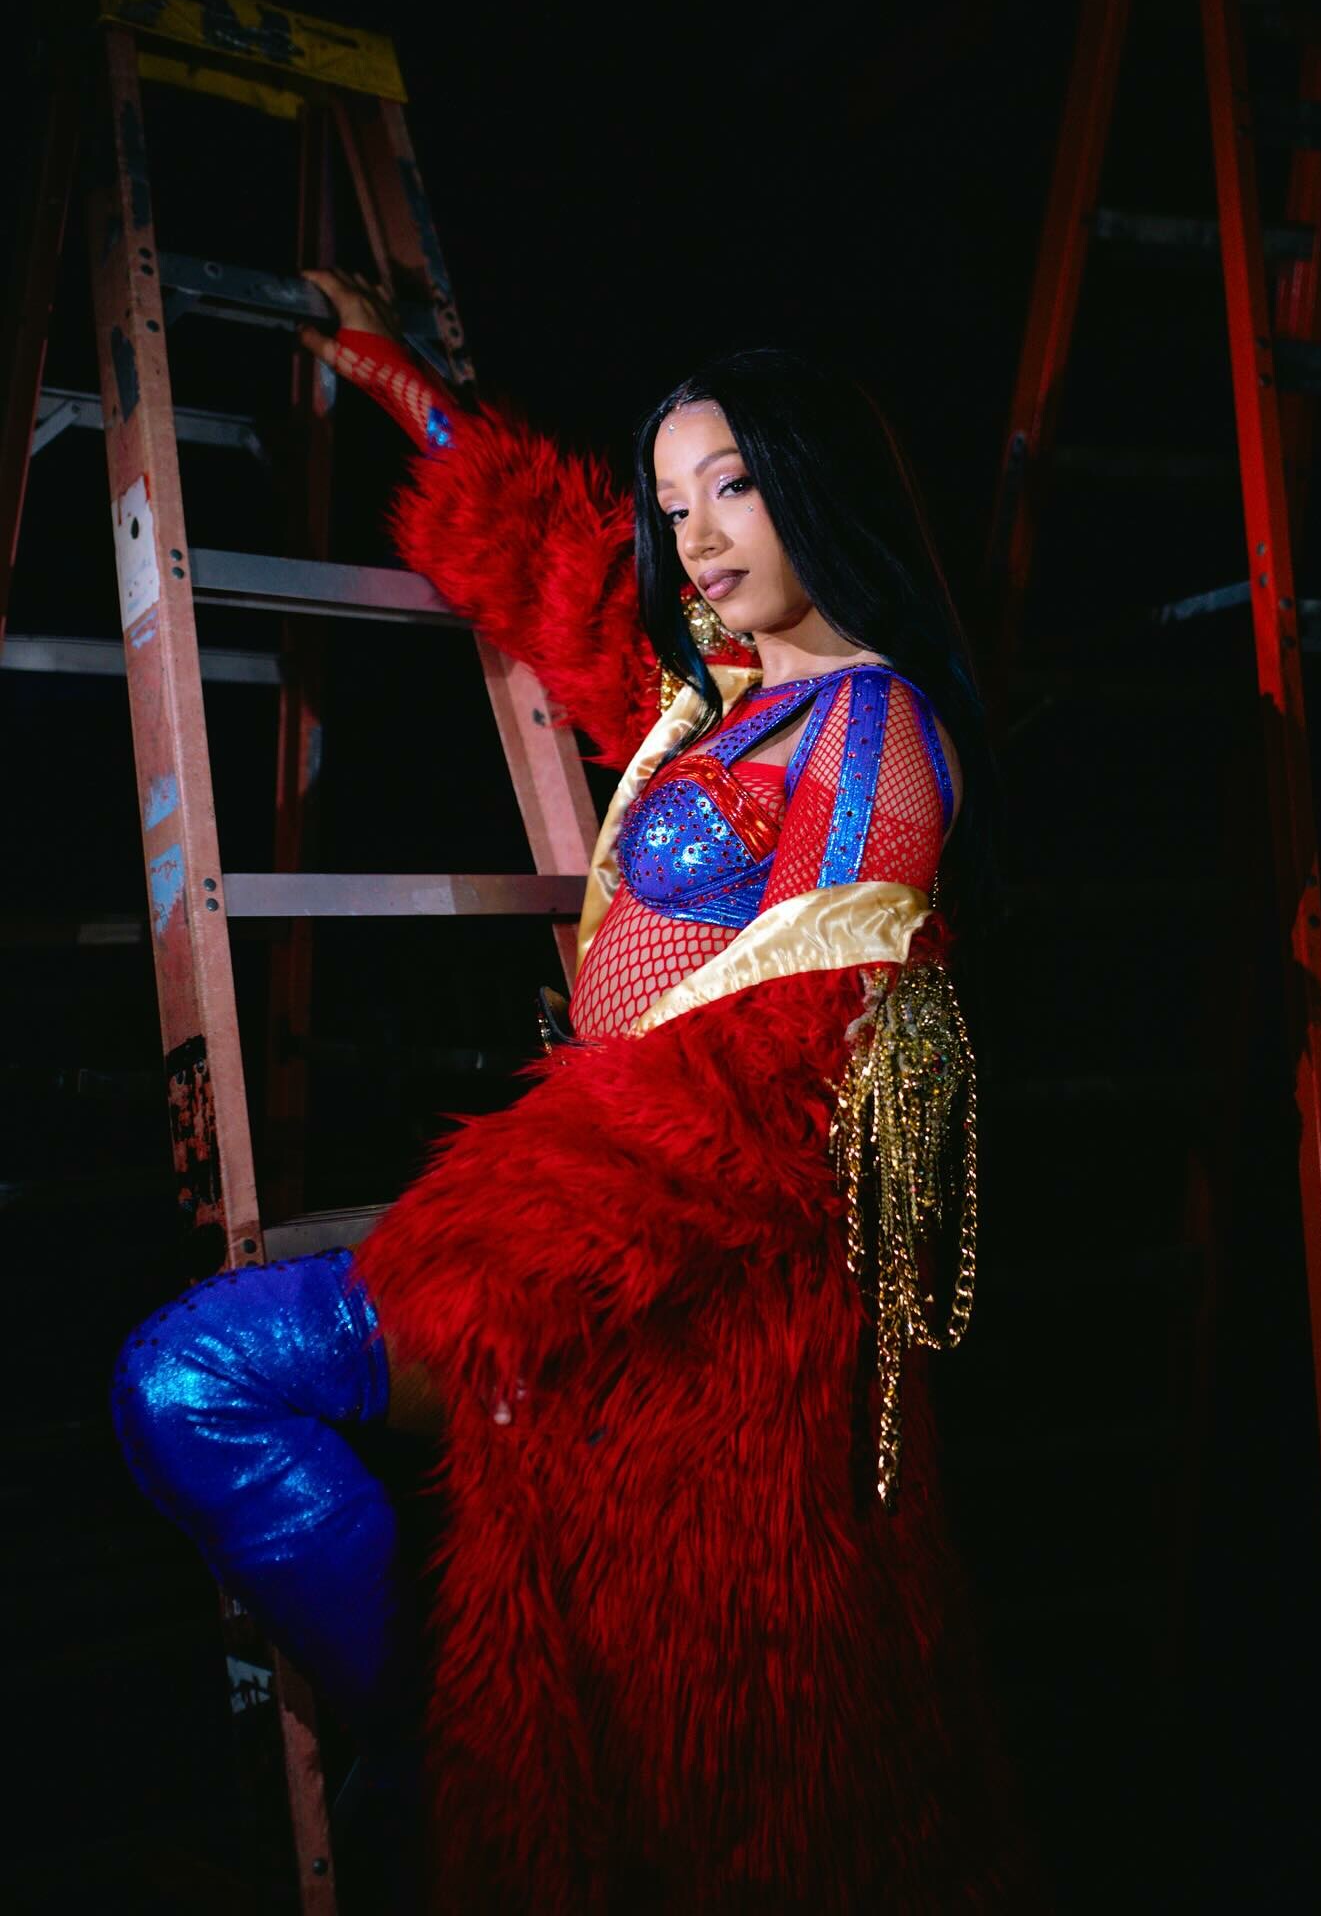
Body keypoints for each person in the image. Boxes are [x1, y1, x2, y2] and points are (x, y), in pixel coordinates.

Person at [111, 272, 1043, 1913]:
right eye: (672, 504)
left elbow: (792, 1066)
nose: (696, 537)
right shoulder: (722, 694)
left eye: (731, 487)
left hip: (696, 1289)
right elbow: (563, 574)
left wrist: (511, 1238)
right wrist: (407, 392)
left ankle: (436, 1742)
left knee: (199, 1381)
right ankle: (457, 1735)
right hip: (602, 1251)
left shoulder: (877, 728)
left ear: (815, 480)